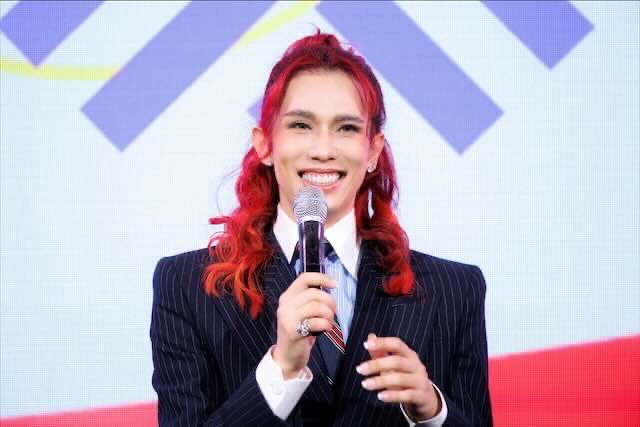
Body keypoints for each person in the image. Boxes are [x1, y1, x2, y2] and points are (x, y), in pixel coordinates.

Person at [150, 32, 492, 426]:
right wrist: (281, 370)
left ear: (373, 151)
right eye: (301, 125)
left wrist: (432, 411)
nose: (324, 150)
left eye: (346, 128)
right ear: (264, 144)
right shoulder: (187, 286)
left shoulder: (454, 290)